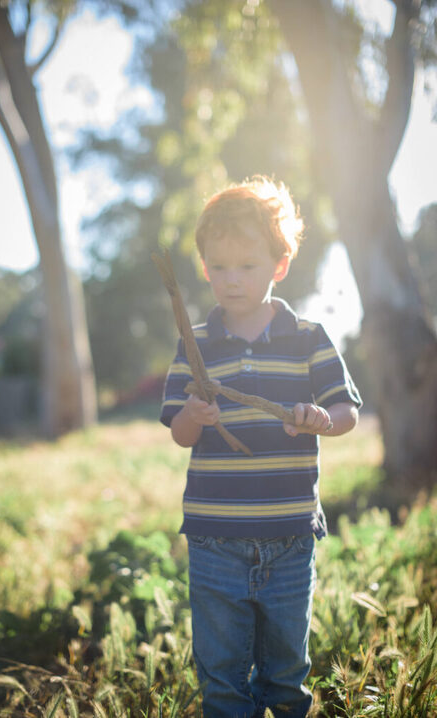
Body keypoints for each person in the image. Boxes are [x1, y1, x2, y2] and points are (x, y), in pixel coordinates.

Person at [160, 176, 362, 718]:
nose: (231, 280)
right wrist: (192, 417)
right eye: (218, 267)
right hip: (213, 538)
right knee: (222, 677)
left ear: (280, 265)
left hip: (289, 536)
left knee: (285, 674)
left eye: (247, 266)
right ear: (204, 266)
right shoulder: (195, 343)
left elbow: (347, 411)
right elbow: (179, 434)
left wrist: (322, 418)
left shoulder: (308, 336)